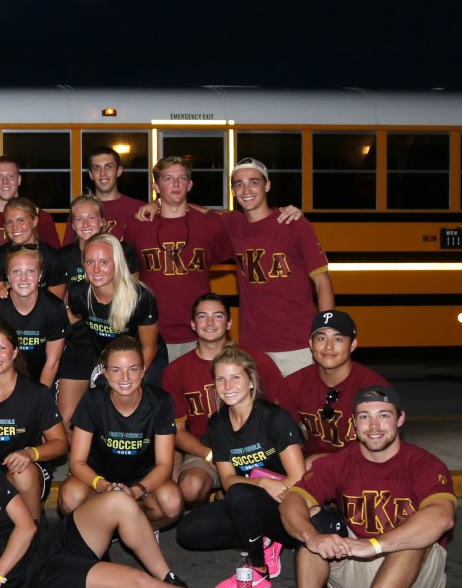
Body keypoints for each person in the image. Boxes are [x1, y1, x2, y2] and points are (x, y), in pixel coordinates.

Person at [0, 441, 276, 588]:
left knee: (120, 500)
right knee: (137, 584)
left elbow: (27, 527)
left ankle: (169, 577)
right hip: (42, 576)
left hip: (55, 538)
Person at [265, 386, 456, 588]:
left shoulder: (424, 464)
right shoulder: (339, 463)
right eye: (364, 417)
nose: (374, 426)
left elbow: (442, 517)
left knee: (414, 533)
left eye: (384, 416)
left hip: (414, 584)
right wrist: (311, 536)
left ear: (400, 419)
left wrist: (375, 545)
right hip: (356, 572)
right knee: (316, 525)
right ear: (354, 424)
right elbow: (293, 500)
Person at [175, 346, 307, 588]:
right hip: (250, 500)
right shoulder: (217, 425)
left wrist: (265, 488)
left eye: (235, 377)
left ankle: (258, 569)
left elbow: (299, 480)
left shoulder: (274, 418)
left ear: (250, 381)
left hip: (288, 501)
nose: (228, 385)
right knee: (188, 532)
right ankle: (264, 539)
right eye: (221, 379)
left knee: (239, 494)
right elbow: (227, 480)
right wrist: (261, 484)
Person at [161, 293, 284, 507]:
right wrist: (212, 456)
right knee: (190, 488)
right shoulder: (176, 371)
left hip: (256, 446)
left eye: (218, 316)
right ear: (192, 323)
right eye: (202, 316)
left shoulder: (257, 360)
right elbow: (177, 432)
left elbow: (281, 413)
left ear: (229, 323)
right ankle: (214, 504)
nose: (209, 323)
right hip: (207, 448)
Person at [221, 158, 335, 376]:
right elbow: (197, 214)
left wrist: (326, 335)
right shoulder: (232, 224)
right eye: (239, 184)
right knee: (259, 410)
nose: (246, 189)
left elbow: (322, 283)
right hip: (253, 348)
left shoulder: (293, 223)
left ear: (267, 186)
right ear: (233, 191)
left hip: (299, 345)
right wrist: (157, 204)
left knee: (303, 409)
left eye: (253, 182)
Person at [57, 337, 183, 534]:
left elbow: (165, 465)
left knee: (172, 503)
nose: (125, 378)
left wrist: (136, 490)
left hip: (142, 481)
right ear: (105, 373)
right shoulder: (92, 400)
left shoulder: (160, 402)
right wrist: (104, 486)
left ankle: (139, 532)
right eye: (116, 370)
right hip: (99, 478)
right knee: (69, 498)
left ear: (143, 371)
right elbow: (77, 462)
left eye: (132, 369)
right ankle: (99, 532)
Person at [0, 321, 68, 522]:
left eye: (2, 348)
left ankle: (35, 532)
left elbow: (60, 444)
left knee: (20, 472)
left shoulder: (37, 394)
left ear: (15, 352)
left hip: (28, 468)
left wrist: (30, 453)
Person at [128, 156, 234, 362]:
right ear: (156, 186)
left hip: (200, 333)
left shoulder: (209, 226)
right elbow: (129, 277)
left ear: (190, 184)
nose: (176, 184)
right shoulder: (138, 227)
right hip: (152, 333)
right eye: (168, 179)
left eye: (181, 178)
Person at [59, 233, 161, 426]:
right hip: (103, 358)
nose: (96, 269)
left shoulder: (140, 296)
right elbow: (69, 319)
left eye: (104, 262)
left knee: (136, 417)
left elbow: (149, 348)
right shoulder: (80, 292)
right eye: (90, 262)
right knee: (72, 419)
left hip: (142, 360)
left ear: (117, 263)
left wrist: (133, 376)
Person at [279, 310, 389, 466]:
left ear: (353, 345)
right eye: (321, 338)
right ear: (311, 344)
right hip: (314, 467)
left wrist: (327, 462)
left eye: (338, 339)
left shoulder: (374, 388)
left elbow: (383, 449)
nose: (329, 346)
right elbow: (279, 435)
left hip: (363, 466)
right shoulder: (294, 384)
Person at [0, 247, 68, 389]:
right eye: (16, 272)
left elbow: (52, 361)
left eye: (30, 271)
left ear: (40, 274)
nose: (23, 278)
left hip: (42, 379)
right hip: (4, 380)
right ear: (7, 276)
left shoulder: (54, 308)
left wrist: (39, 399)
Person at [0, 156, 59, 245]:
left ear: (19, 180)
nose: (5, 181)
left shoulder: (40, 217)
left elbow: (53, 256)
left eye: (11, 176)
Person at [0, 198, 67, 299]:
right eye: (9, 222)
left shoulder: (54, 259)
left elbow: (54, 305)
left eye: (21, 220)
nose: (15, 227)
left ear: (34, 221)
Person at [78, 146, 147, 241]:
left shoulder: (139, 209)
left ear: (119, 171)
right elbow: (69, 252)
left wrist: (157, 204)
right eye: (97, 168)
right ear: (90, 174)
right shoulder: (80, 210)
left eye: (108, 167)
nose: (103, 173)